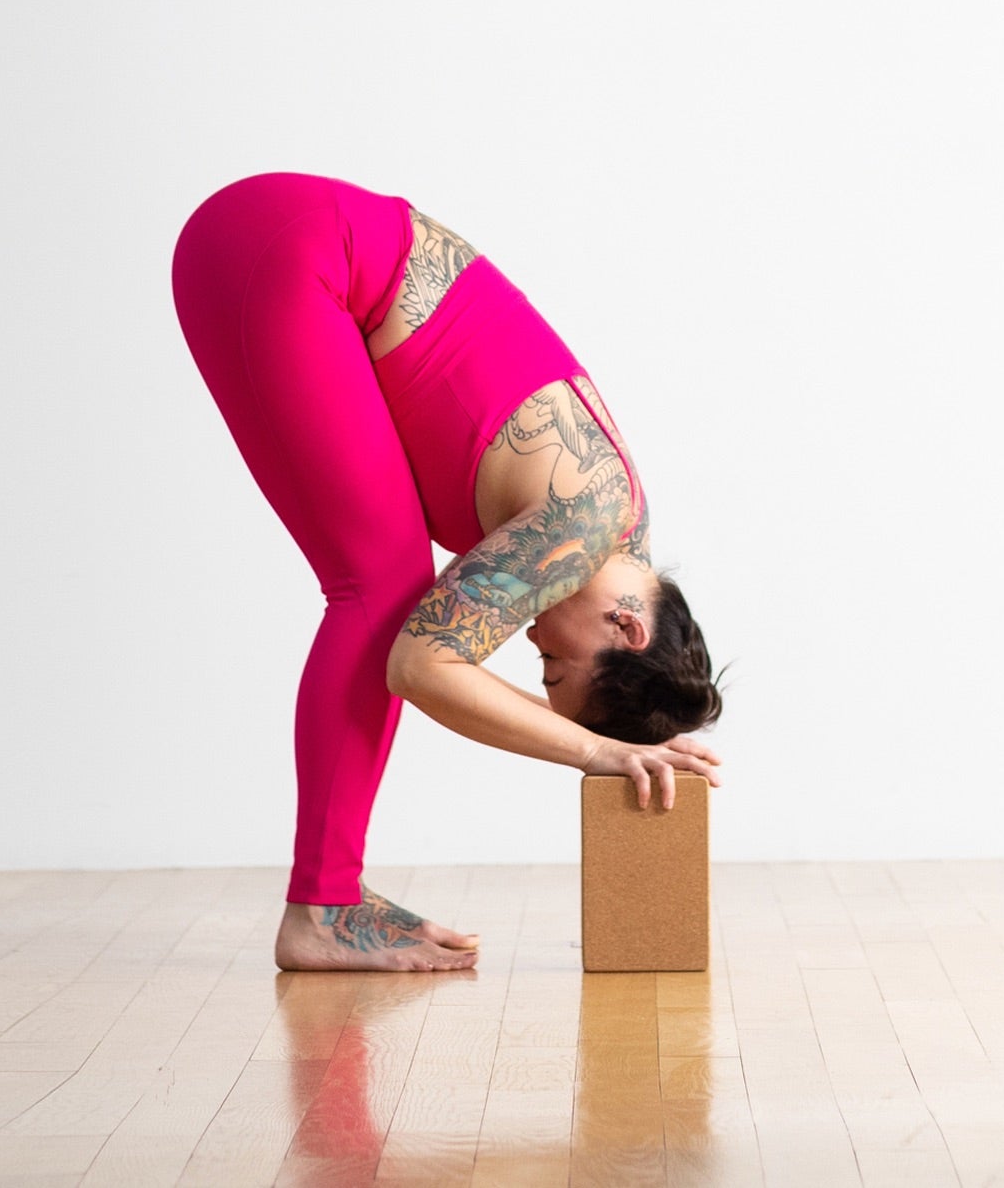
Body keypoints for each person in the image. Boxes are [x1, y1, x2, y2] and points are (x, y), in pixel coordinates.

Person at [171, 172, 726, 972]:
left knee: (389, 588)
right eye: (553, 662)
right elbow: (422, 666)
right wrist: (596, 753)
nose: (532, 636)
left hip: (291, 242)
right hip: (288, 249)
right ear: (627, 627)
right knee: (383, 595)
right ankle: (322, 909)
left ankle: (332, 899)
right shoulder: (583, 523)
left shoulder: (621, 531)